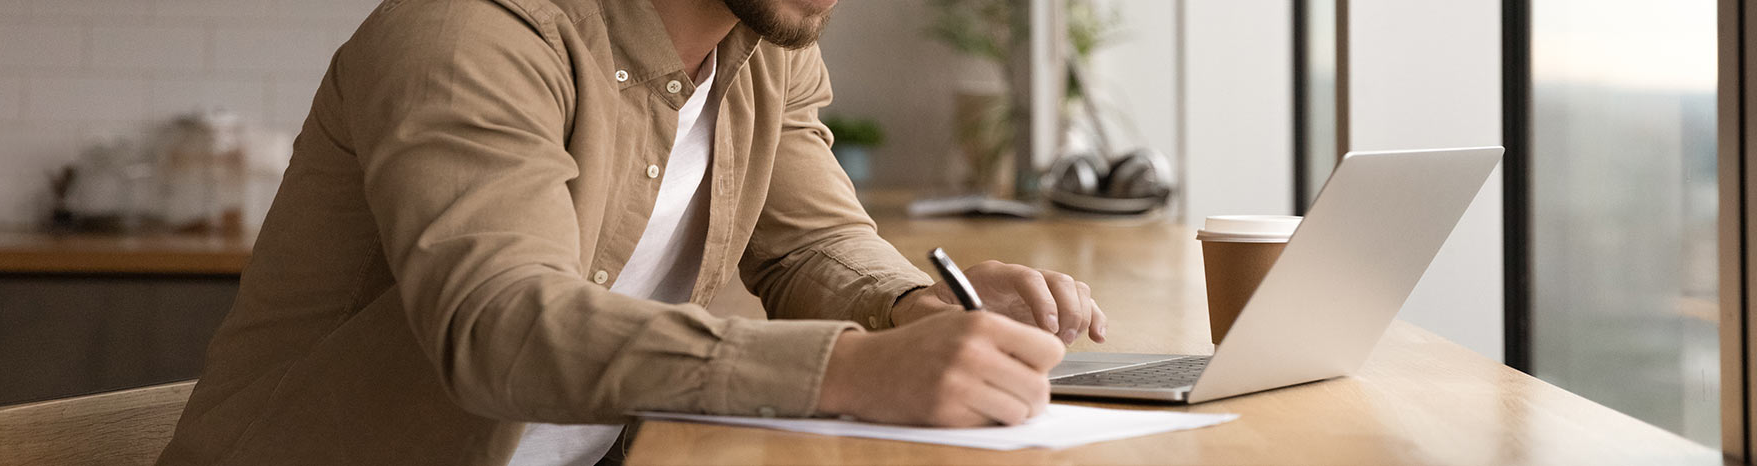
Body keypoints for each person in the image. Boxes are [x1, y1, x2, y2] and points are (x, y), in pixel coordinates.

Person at [155, 0, 1106, 465]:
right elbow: (502, 327)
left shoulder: (771, 48)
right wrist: (851, 371)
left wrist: (918, 305)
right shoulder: (471, 32)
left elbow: (813, 243)